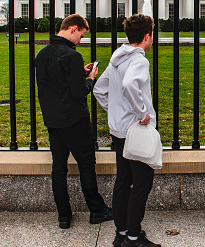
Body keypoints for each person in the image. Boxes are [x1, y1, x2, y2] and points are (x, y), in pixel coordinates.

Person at [35, 14, 112, 229]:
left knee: (58, 167)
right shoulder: (71, 55)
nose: (81, 40)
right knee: (86, 165)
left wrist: (80, 73)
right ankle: (97, 210)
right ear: (73, 28)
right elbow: (79, 92)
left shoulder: (42, 55)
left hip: (53, 120)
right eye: (81, 35)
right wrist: (90, 78)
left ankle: (64, 216)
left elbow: (54, 85)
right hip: (75, 120)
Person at [94, 14, 160, 247]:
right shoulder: (139, 60)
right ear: (146, 36)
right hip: (135, 130)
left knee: (123, 181)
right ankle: (133, 237)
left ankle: (121, 233)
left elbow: (99, 91)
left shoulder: (116, 59)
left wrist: (115, 111)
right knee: (142, 183)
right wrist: (141, 114)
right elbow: (130, 85)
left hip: (118, 130)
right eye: (152, 36)